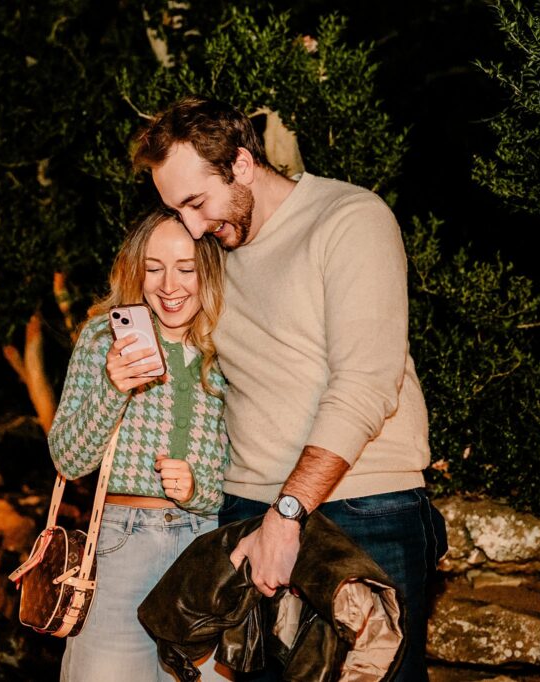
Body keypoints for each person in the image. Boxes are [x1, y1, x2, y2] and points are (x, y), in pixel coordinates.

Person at [132, 96, 448, 682]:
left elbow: (365, 384)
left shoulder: (349, 218)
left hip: (364, 505)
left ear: (243, 165)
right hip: (247, 511)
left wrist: (288, 513)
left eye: (197, 203)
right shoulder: (212, 249)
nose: (194, 226)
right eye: (179, 210)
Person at [48, 208, 232, 682]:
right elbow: (68, 458)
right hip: (122, 546)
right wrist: (113, 387)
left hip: (208, 549)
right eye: (154, 267)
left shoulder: (234, 346)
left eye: (186, 268)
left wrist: (199, 489)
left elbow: (252, 464)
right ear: (136, 269)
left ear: (209, 270)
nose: (169, 285)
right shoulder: (102, 337)